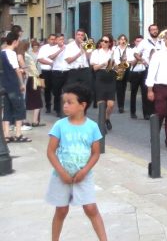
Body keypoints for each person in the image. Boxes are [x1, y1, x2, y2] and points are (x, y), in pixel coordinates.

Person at [45, 83, 107, 241]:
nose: (65, 105)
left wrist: (84, 171)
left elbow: (95, 153)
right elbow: (50, 152)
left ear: (82, 105)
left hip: (84, 176)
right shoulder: (60, 125)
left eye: (70, 102)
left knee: (91, 208)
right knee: (61, 210)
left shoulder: (92, 127)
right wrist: (61, 172)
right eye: (64, 102)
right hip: (61, 176)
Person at [2, 32, 30, 143]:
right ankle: (18, 134)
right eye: (18, 41)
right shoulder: (11, 53)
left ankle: (6, 135)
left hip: (4, 86)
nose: (19, 43)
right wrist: (22, 84)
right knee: (20, 108)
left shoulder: (2, 52)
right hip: (13, 85)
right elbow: (16, 69)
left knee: (7, 109)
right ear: (14, 41)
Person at [90, 35, 117, 130]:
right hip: (100, 76)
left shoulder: (113, 52)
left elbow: (117, 67)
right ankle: (102, 125)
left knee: (111, 104)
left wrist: (117, 65)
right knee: (101, 103)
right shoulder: (96, 52)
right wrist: (104, 64)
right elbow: (94, 68)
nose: (103, 43)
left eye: (106, 41)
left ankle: (106, 118)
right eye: (102, 40)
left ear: (109, 43)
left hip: (111, 76)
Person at [135, 24, 161, 119]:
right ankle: (147, 112)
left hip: (160, 69)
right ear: (149, 31)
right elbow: (136, 53)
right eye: (152, 29)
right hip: (148, 68)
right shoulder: (144, 42)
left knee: (158, 90)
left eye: (156, 29)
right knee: (147, 90)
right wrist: (142, 60)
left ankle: (156, 111)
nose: (154, 31)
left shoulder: (161, 42)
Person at [25, 39, 45, 127]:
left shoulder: (26, 55)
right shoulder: (31, 55)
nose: (36, 48)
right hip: (35, 77)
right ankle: (35, 121)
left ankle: (30, 120)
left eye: (37, 47)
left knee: (30, 97)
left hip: (32, 77)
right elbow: (36, 70)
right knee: (37, 98)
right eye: (35, 47)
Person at [48, 34, 68, 118]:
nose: (62, 41)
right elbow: (51, 57)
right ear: (56, 41)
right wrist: (60, 50)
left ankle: (66, 109)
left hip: (67, 71)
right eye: (60, 39)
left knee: (67, 92)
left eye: (63, 39)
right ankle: (57, 109)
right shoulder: (53, 48)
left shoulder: (68, 48)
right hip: (57, 72)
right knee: (57, 92)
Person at [38, 34, 57, 113]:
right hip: (46, 71)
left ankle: (57, 107)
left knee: (56, 89)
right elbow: (40, 59)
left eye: (54, 39)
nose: (53, 41)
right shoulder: (44, 48)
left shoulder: (57, 48)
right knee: (47, 90)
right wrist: (50, 63)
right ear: (48, 40)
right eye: (51, 39)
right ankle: (48, 106)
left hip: (56, 71)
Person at [113, 34, 130, 114]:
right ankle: (120, 106)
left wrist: (126, 61)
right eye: (121, 39)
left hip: (126, 69)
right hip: (118, 69)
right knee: (119, 88)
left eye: (124, 39)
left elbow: (130, 59)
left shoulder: (129, 49)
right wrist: (117, 66)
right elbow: (113, 59)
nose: (123, 41)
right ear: (118, 40)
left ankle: (122, 105)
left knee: (123, 88)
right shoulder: (115, 49)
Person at [127, 35, 143, 119]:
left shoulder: (146, 51)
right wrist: (138, 57)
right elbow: (131, 63)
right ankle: (133, 112)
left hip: (144, 72)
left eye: (141, 41)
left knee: (144, 94)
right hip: (134, 73)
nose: (139, 43)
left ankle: (146, 113)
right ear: (134, 42)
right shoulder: (131, 51)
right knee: (133, 93)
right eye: (137, 41)